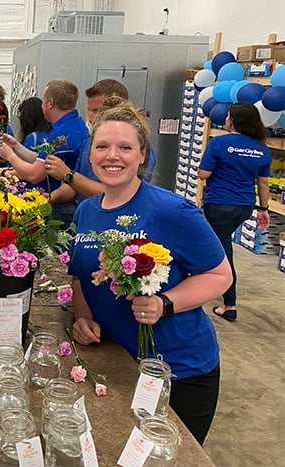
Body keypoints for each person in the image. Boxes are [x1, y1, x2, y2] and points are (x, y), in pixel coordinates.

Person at [68, 100, 232, 445]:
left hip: (179, 369)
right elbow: (78, 274)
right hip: (120, 361)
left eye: (125, 147)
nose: (113, 155)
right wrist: (82, 315)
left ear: (142, 155)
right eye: (103, 146)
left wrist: (165, 304)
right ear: (91, 154)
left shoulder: (173, 211)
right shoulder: (85, 212)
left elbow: (220, 275)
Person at [198, 102, 271, 322]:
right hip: (244, 206)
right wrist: (264, 209)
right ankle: (206, 285)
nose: (226, 118)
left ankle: (229, 304)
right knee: (216, 245)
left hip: (219, 205)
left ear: (233, 120)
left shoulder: (219, 143)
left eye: (229, 116)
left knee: (223, 252)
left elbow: (203, 173)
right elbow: (264, 183)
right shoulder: (261, 149)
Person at [45, 79, 157, 206]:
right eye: (89, 111)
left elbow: (119, 195)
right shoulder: (89, 141)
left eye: (97, 111)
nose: (91, 118)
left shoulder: (138, 148)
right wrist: (48, 199)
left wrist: (68, 175)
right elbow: (74, 187)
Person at [0, 79, 88, 225]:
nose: (42, 106)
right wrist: (16, 147)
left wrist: (10, 156)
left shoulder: (61, 134)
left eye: (43, 101)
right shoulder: (75, 124)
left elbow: (35, 175)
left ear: (50, 103)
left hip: (59, 205)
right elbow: (44, 161)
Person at [0, 96, 51, 189]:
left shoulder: (32, 138)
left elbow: (26, 171)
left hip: (33, 189)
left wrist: (2, 172)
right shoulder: (49, 134)